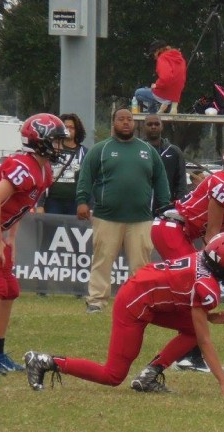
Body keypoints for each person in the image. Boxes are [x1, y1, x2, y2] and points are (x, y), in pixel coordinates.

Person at [23, 233, 224, 397]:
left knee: (194, 330)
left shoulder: (203, 260)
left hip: (149, 297)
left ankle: (148, 376)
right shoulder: (207, 285)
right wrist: (223, 384)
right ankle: (44, 361)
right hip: (134, 303)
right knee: (113, 375)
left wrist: (210, 317)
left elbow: (183, 298)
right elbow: (205, 341)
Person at [150, 137, 224, 371]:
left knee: (197, 288)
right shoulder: (223, 183)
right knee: (196, 286)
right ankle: (189, 355)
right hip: (171, 228)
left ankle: (189, 352)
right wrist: (216, 267)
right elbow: (212, 236)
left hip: (184, 231)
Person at [0, 113, 68, 374]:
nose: (61, 146)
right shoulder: (23, 166)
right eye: (57, 140)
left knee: (10, 289)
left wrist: (10, 238)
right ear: (41, 141)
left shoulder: (44, 170)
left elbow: (21, 207)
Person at [76, 108, 170, 314]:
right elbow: (85, 177)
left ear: (135, 124)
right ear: (114, 123)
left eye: (129, 119)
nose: (126, 123)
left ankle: (139, 301)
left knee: (141, 264)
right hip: (106, 217)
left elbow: (160, 179)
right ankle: (96, 301)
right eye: (121, 119)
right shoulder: (100, 149)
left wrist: (164, 207)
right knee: (102, 260)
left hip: (141, 219)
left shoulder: (148, 150)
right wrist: (82, 201)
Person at [36, 113, 88, 216]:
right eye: (65, 127)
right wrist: (40, 205)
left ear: (77, 130)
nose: (68, 129)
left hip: (75, 203)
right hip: (53, 202)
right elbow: (41, 177)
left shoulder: (84, 152)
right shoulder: (51, 150)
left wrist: (87, 204)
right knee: (50, 231)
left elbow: (89, 180)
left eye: (72, 127)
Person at [142, 114, 187, 206]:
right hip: (140, 208)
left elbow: (181, 184)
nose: (153, 127)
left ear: (162, 126)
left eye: (156, 124)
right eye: (149, 124)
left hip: (165, 207)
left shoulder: (174, 152)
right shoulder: (137, 149)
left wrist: (178, 206)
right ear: (144, 127)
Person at [134, 40, 187, 114]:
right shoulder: (180, 58)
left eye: (153, 54)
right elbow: (180, 78)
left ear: (158, 50)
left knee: (138, 93)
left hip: (165, 93)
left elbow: (166, 78)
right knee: (151, 91)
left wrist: (156, 85)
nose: (154, 57)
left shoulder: (162, 58)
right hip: (176, 94)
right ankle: (159, 110)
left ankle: (153, 115)